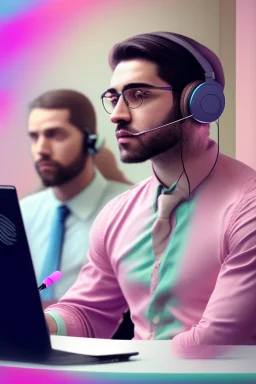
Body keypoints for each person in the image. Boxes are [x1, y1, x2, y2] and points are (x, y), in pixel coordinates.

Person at [43, 32, 256, 356]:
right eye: (114, 98)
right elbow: (87, 312)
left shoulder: (247, 208)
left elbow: (214, 343)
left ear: (199, 101)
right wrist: (35, 323)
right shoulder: (117, 214)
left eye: (138, 95)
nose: (116, 115)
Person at [20, 89, 132, 308]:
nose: (41, 149)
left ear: (91, 141)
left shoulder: (130, 208)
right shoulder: (22, 212)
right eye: (35, 137)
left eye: (55, 134)